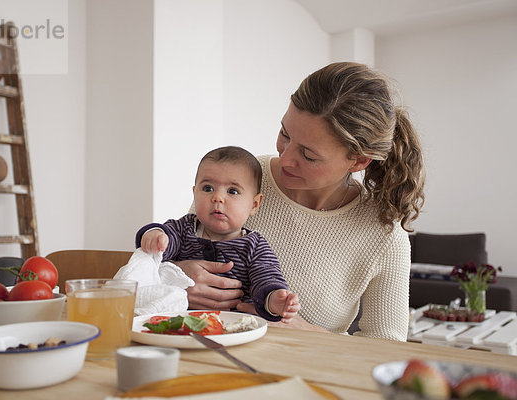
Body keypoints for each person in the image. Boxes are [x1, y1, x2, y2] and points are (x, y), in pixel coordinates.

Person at [176, 62, 426, 341]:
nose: (285, 158)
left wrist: (308, 333)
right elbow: (175, 251)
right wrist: (175, 275)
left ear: (358, 160)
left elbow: (386, 349)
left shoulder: (383, 232)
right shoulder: (241, 181)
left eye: (308, 155)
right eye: (285, 134)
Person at [136, 146, 300, 323]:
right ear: (194, 194)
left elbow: (266, 278)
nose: (218, 198)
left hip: (234, 326)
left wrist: (274, 299)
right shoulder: (184, 228)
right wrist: (155, 234)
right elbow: (163, 243)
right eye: (207, 188)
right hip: (181, 323)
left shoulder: (254, 245)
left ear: (254, 204)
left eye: (233, 191)